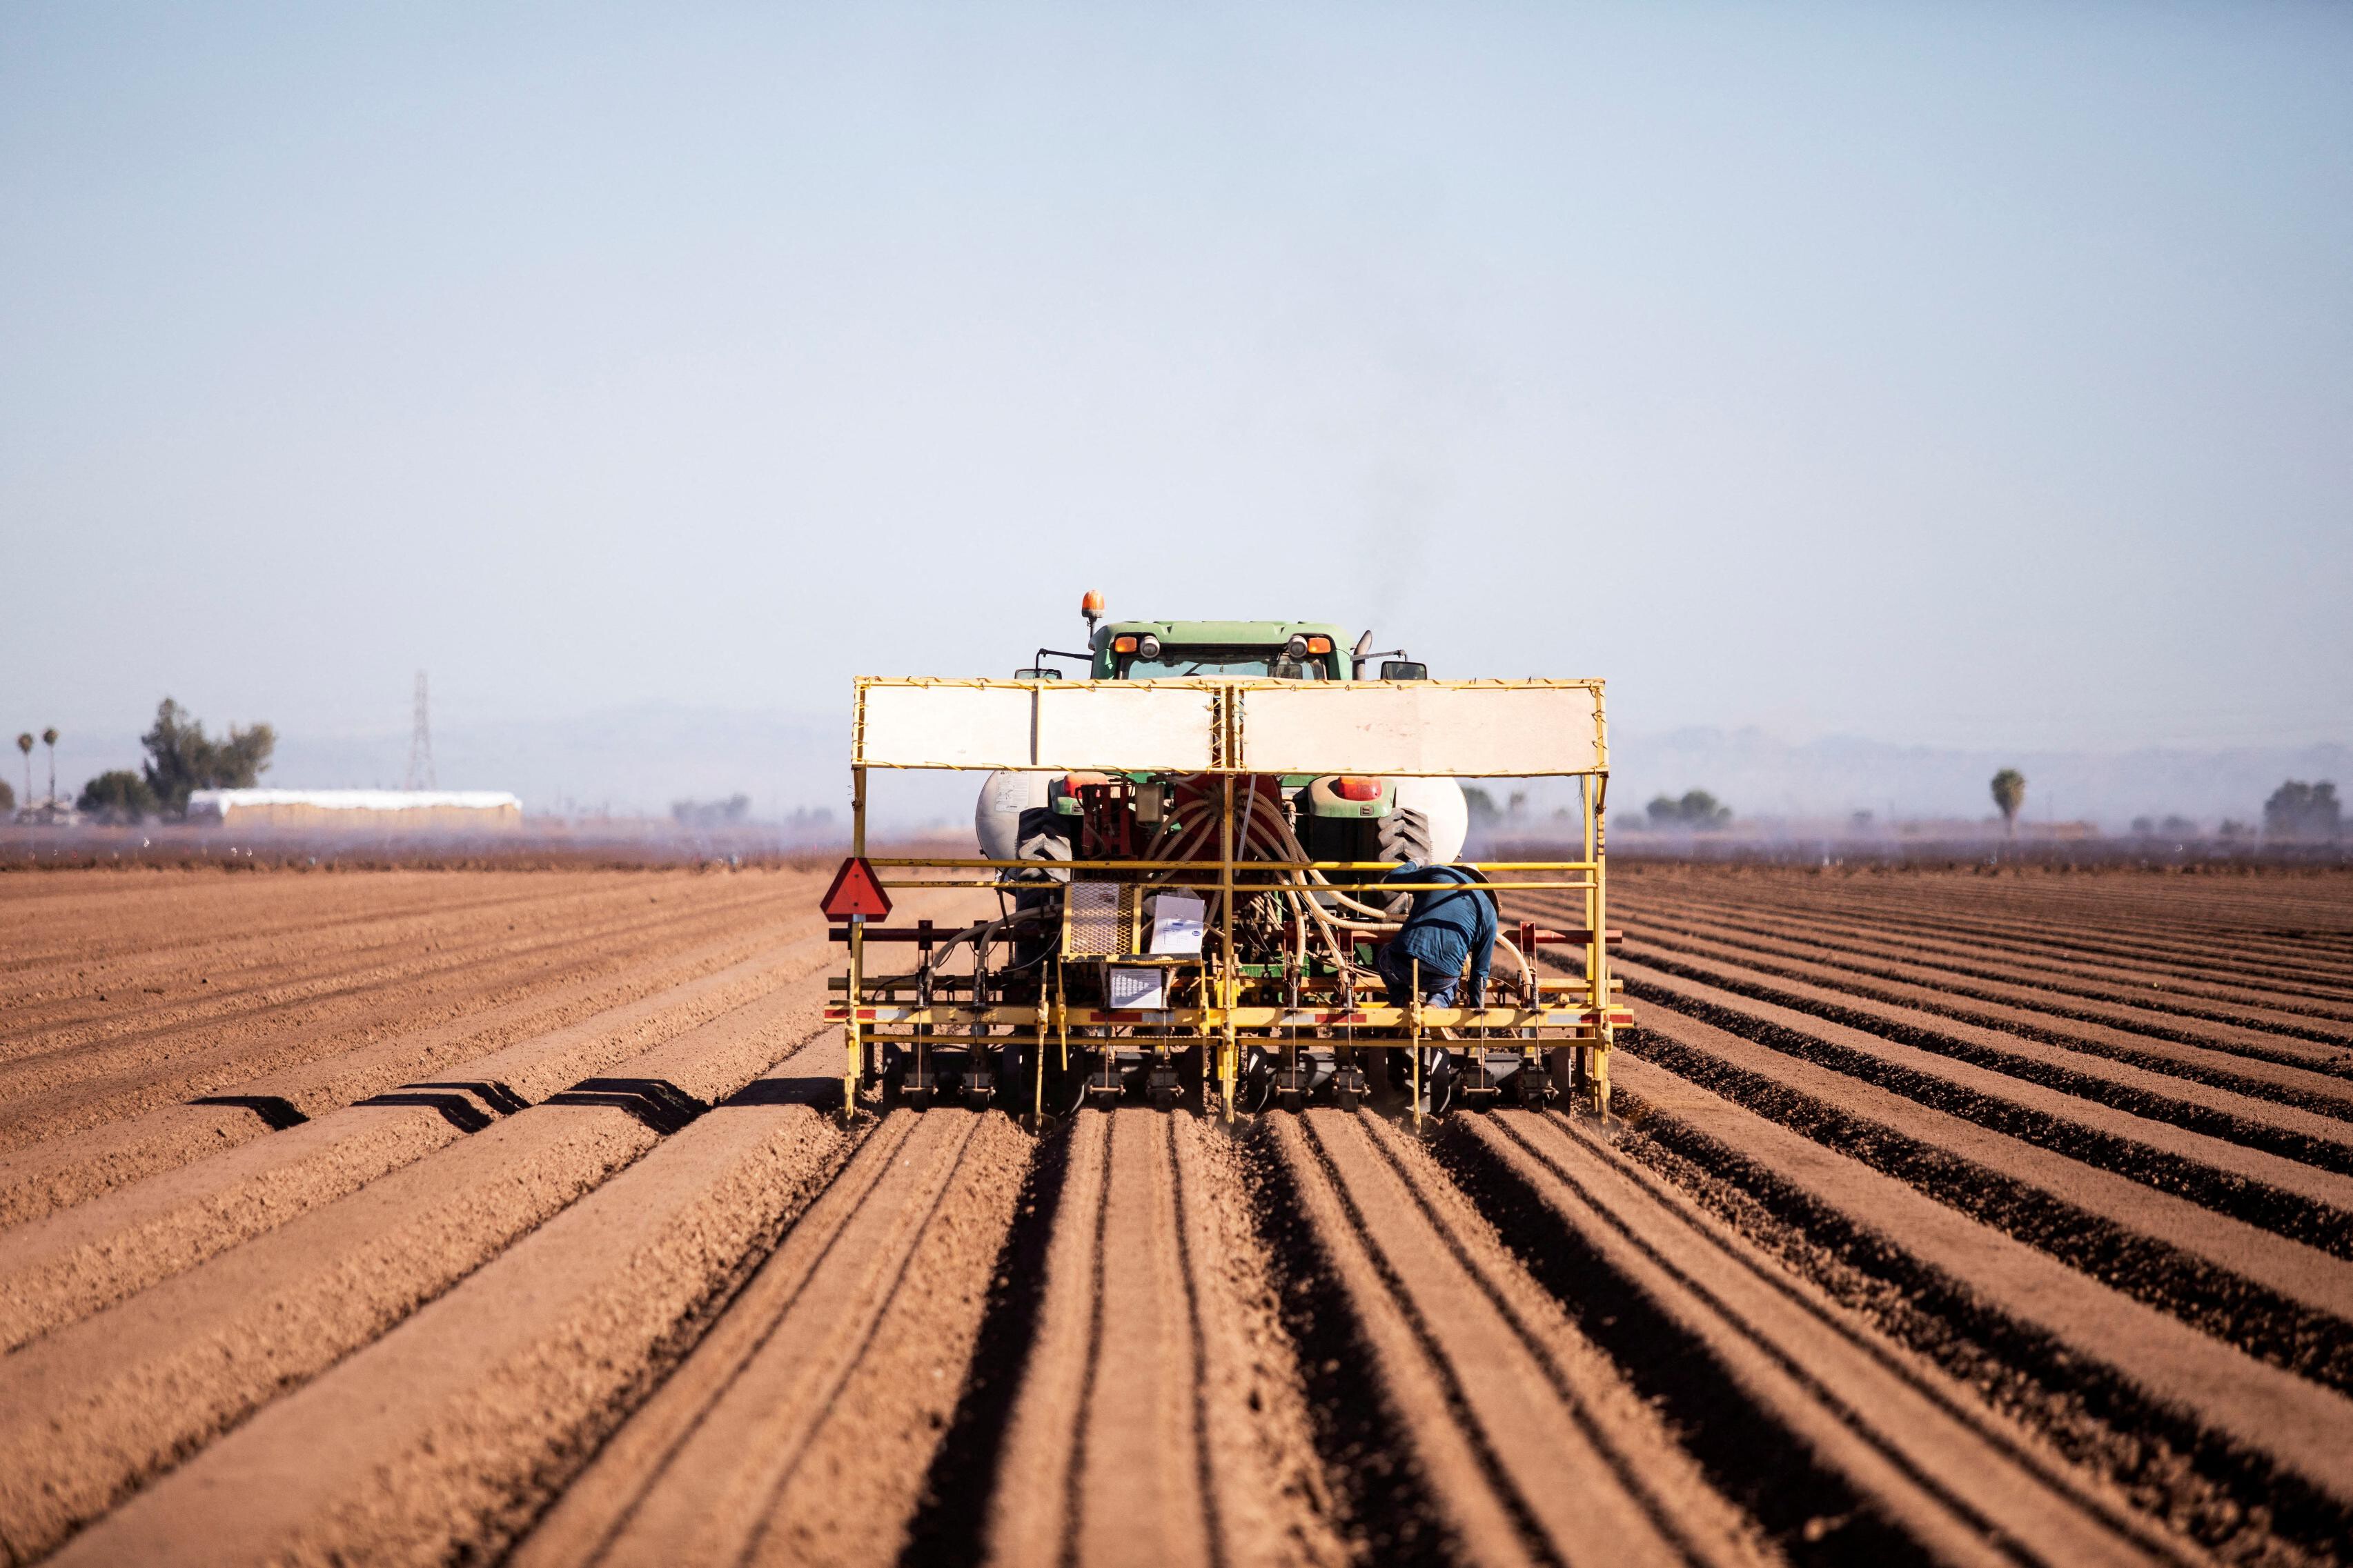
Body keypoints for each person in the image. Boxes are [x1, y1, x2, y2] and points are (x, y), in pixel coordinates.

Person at [1373, 859, 1497, 1009]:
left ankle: (1403, 1000)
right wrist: (1477, 1013)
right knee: (1449, 987)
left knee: (1384, 956)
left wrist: (1415, 862)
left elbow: (1392, 880)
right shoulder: (1490, 912)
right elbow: (1480, 972)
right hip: (1443, 977)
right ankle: (1435, 1006)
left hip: (1404, 964)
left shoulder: (1440, 873)